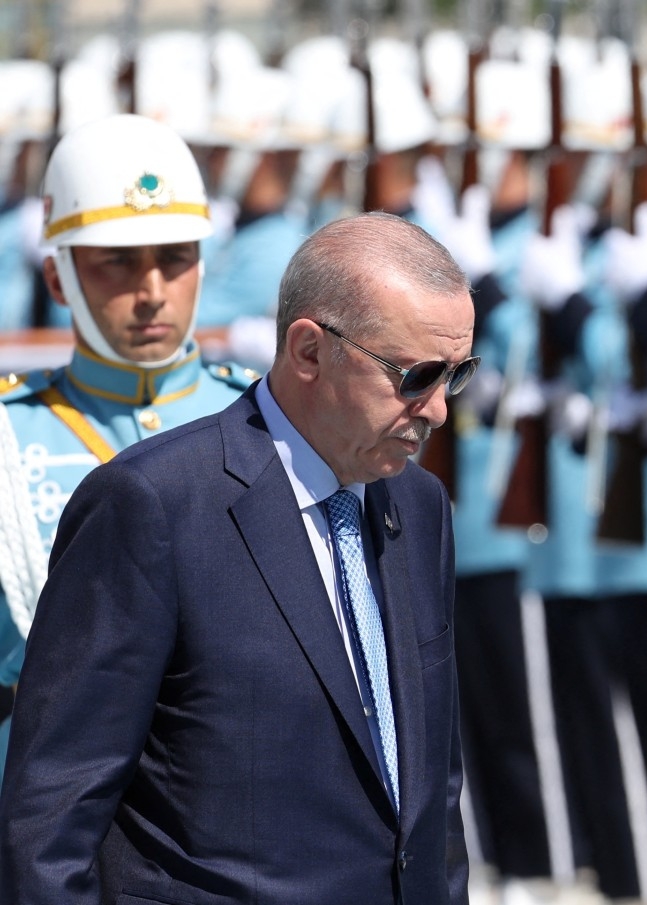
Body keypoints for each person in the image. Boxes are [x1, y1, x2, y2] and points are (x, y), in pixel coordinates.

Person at [0, 211, 475, 904]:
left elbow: (431, 788)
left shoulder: (418, 504)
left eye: (457, 376)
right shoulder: (155, 504)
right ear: (308, 351)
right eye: (415, 376)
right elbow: (53, 810)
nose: (436, 411)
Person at [0, 113, 254, 770]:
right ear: (58, 279)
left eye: (175, 258)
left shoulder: (262, 416)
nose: (152, 292)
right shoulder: (8, 435)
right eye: (117, 261)